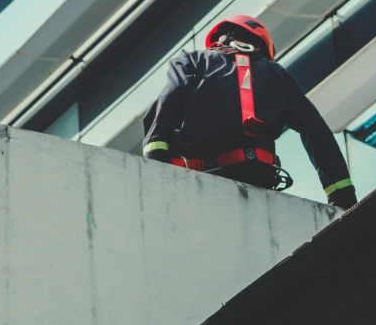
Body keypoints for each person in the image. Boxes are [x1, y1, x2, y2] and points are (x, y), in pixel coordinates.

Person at [142, 14, 357, 209]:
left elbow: (169, 99)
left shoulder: (192, 61)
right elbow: (316, 131)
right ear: (261, 47)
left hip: (199, 171)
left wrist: (154, 158)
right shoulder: (276, 73)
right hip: (257, 171)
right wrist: (343, 197)